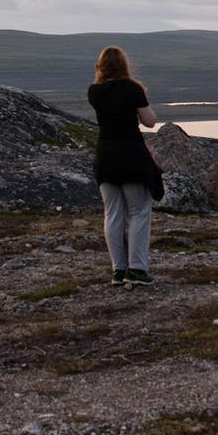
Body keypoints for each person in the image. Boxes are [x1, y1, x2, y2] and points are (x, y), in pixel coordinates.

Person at [88, 46, 162, 287]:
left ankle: (118, 269)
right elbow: (150, 121)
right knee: (138, 212)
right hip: (131, 155)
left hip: (105, 157)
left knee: (112, 214)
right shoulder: (132, 89)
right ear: (124, 65)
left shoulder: (94, 91)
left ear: (100, 66)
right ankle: (137, 269)